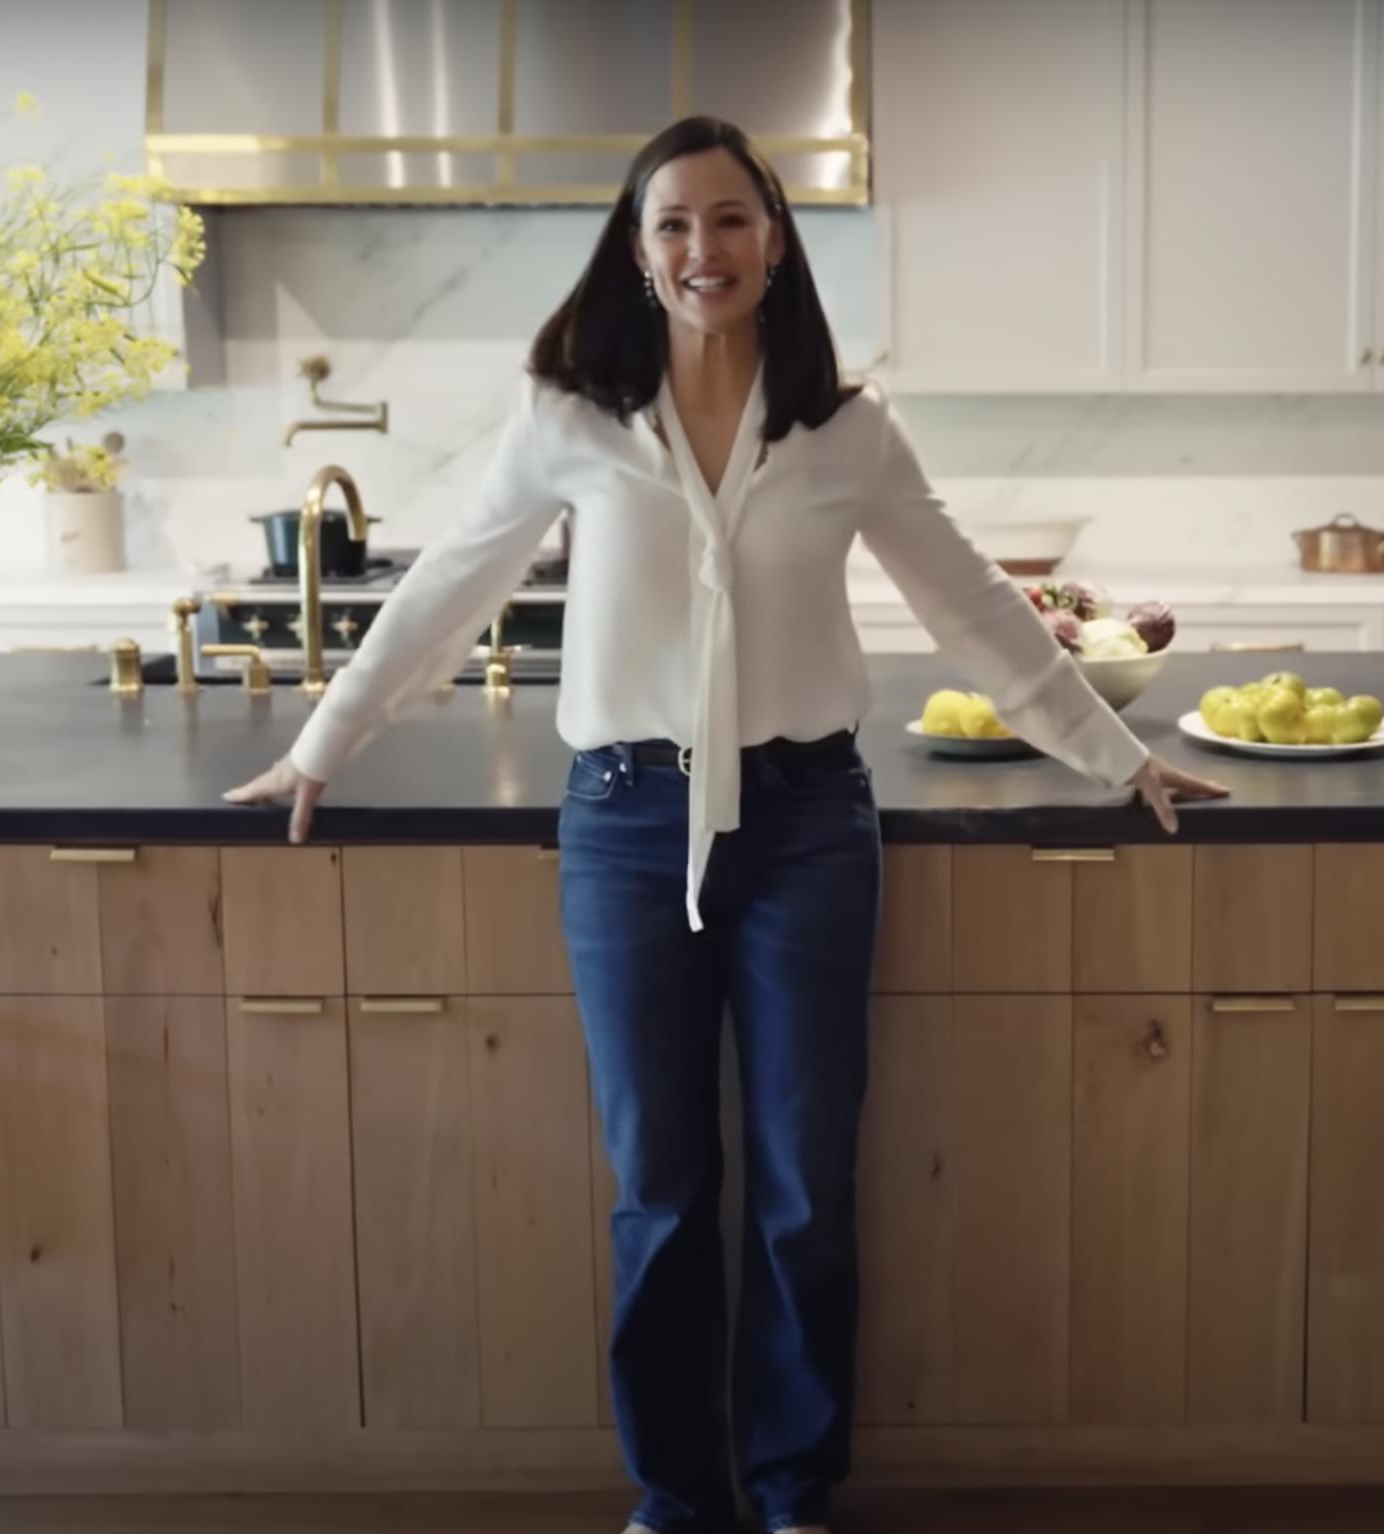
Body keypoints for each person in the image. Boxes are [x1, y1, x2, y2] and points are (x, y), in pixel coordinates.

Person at [223, 116, 1228, 1534]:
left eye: (734, 220)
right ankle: (677, 1495)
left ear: (775, 239)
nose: (708, 249)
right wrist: (325, 740)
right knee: (662, 1184)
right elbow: (453, 581)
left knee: (808, 1183)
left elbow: (972, 604)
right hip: (628, 827)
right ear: (638, 253)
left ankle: (795, 1491)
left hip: (810, 821)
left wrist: (1122, 755)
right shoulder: (568, 416)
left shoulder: (846, 425)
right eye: (677, 225)